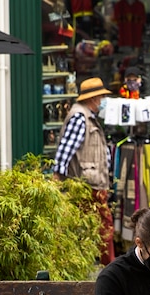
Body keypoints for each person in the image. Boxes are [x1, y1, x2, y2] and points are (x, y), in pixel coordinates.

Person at [53, 77, 116, 266]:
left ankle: (94, 262)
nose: (103, 100)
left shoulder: (87, 117)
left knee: (93, 225)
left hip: (92, 181)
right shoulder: (80, 117)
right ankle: (108, 264)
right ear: (93, 98)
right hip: (87, 183)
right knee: (103, 225)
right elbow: (65, 149)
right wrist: (57, 175)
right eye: (101, 96)